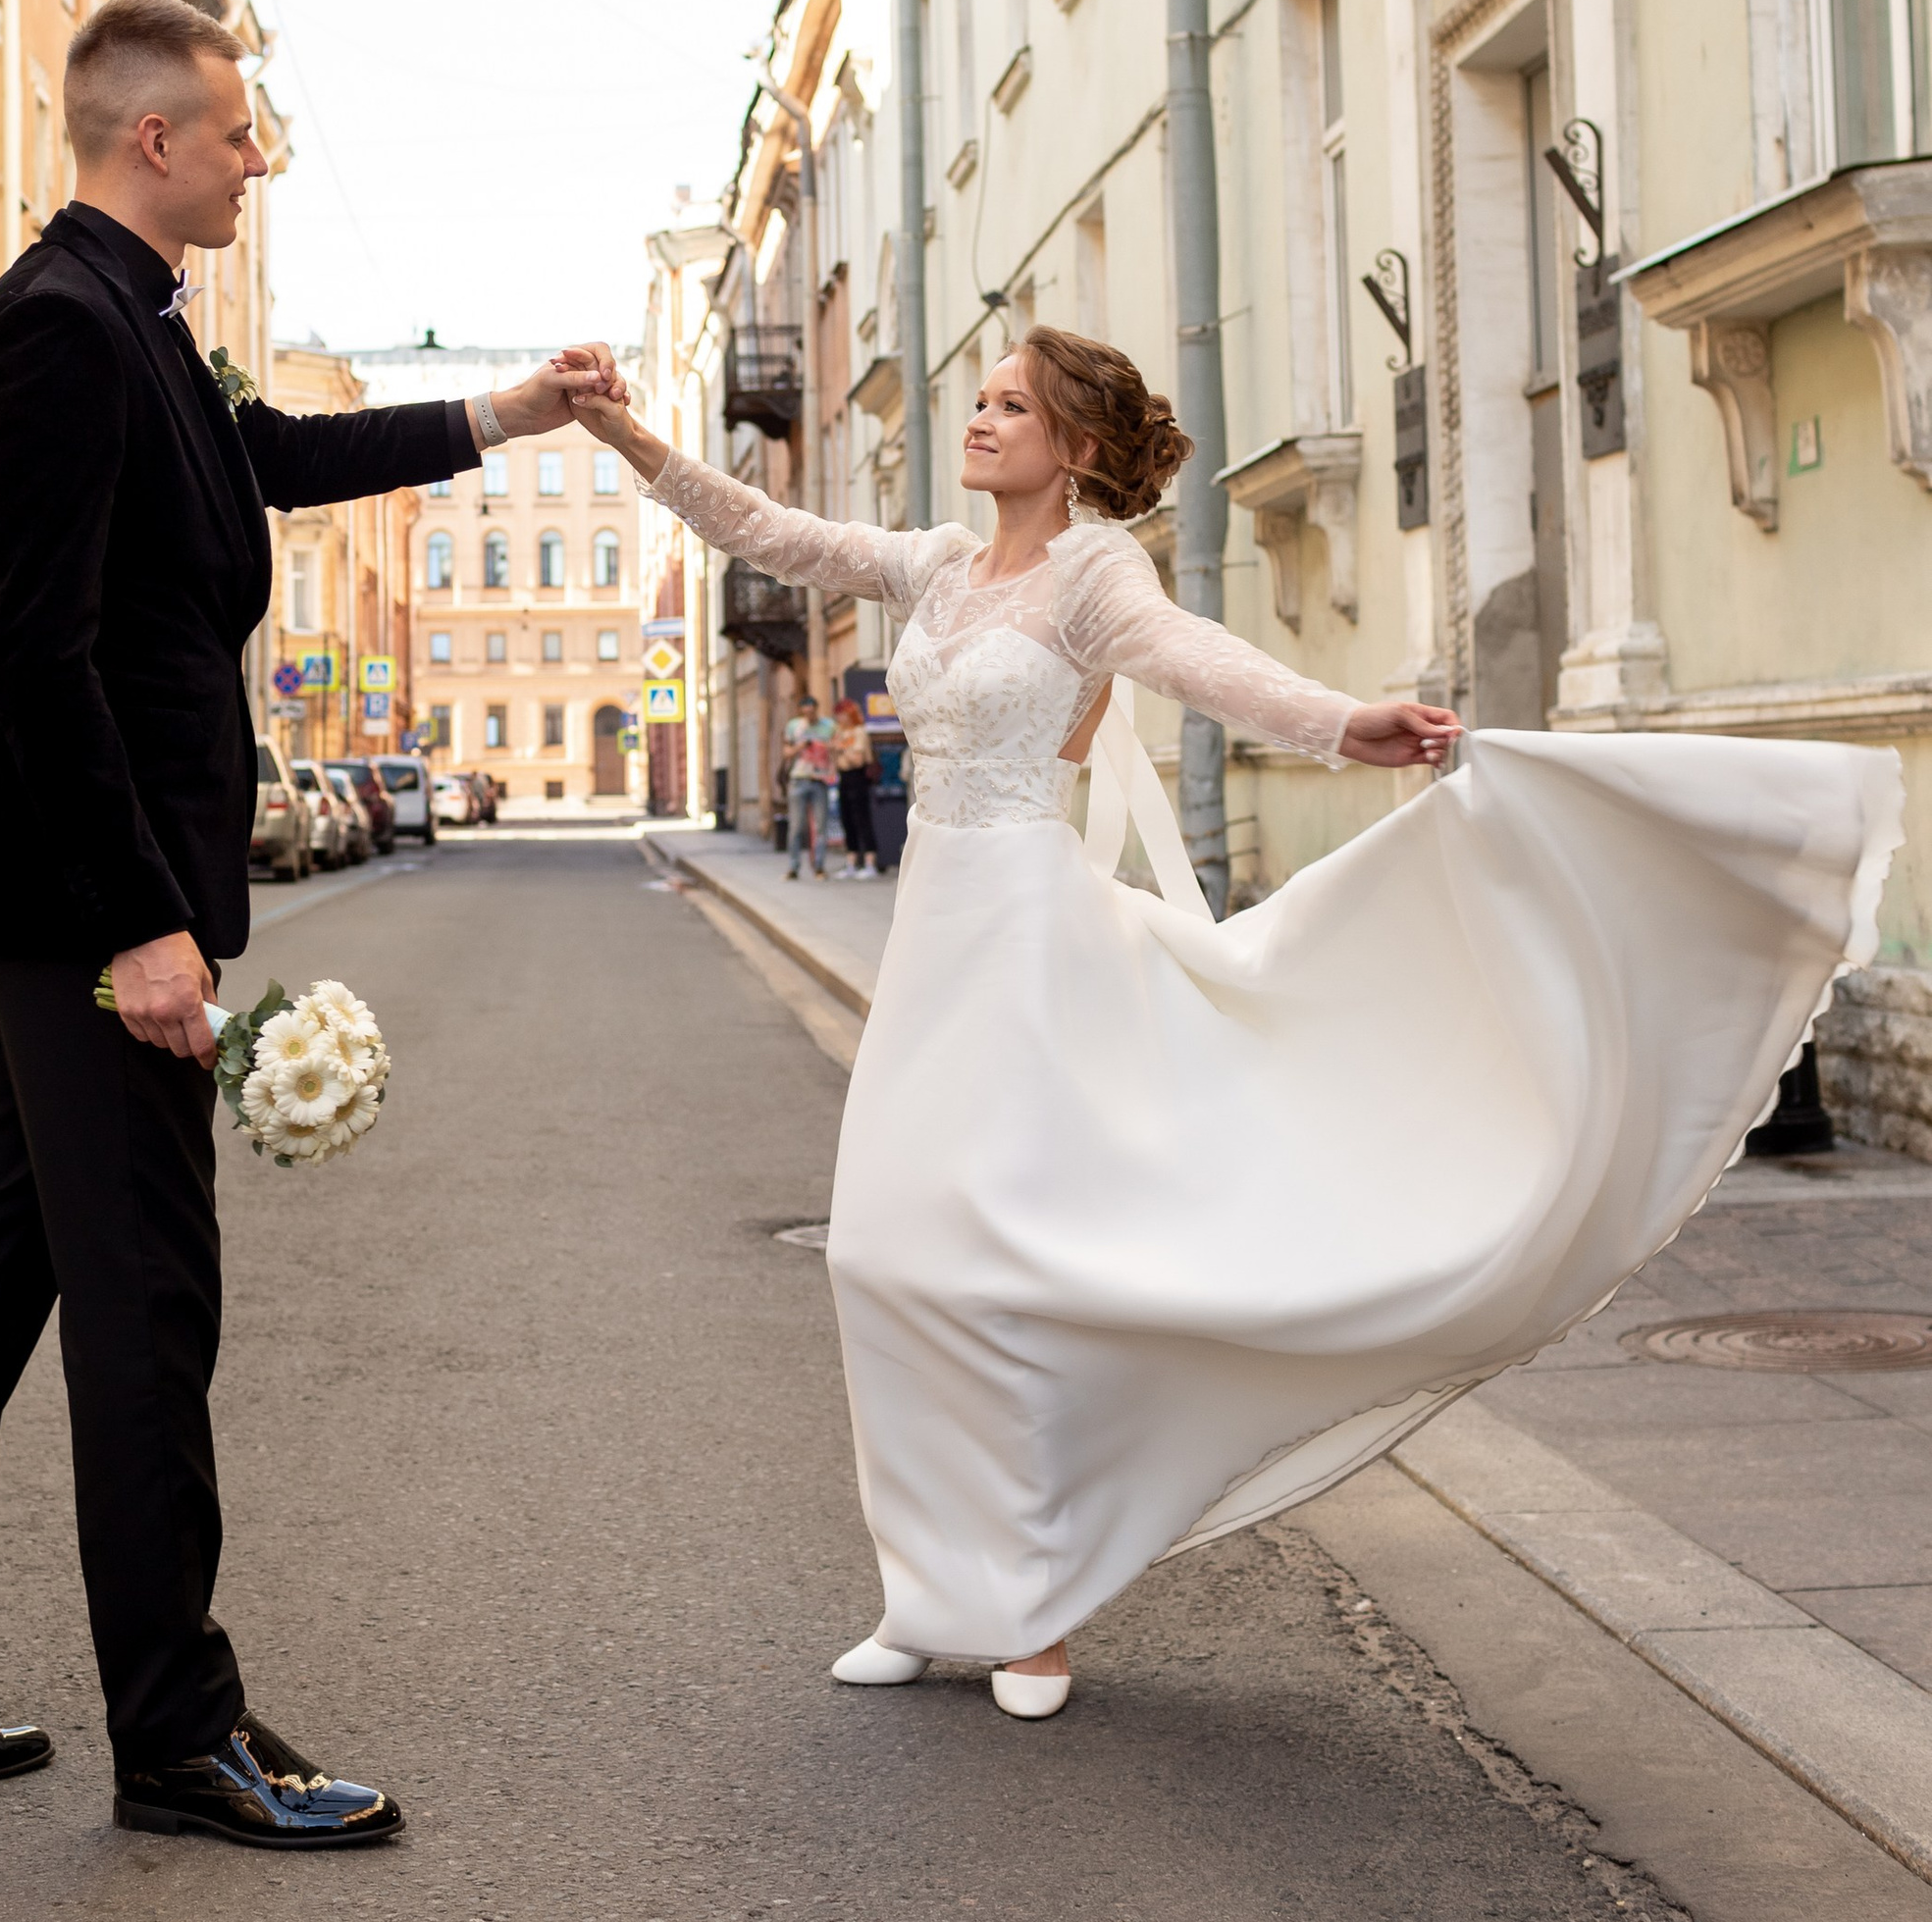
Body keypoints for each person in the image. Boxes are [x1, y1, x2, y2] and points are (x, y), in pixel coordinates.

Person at [573, 328, 1900, 1723]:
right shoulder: (936, 568)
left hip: (1029, 939)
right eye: (981, 400)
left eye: (1009, 405)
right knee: (887, 1262)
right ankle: (927, 1593)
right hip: (932, 942)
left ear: (1073, 449)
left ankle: (1030, 1619)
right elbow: (765, 527)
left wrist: (1344, 727)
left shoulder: (1095, 572)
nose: (978, 420)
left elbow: (1195, 659)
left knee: (1005, 1271)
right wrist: (623, 436)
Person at [0, 0, 621, 1847]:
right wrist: (145, 927)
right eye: (241, 133)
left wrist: (516, 409)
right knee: (148, 1302)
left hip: (83, 894)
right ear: (152, 139)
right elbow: (47, 662)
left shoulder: (150, 327)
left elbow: (279, 465)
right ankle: (181, 1735)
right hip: (93, 898)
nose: (261, 158)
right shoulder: (59, 333)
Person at [781, 697, 835, 880]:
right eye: (805, 711)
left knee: (821, 826)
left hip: (820, 779)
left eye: (811, 710)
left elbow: (836, 748)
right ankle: (793, 867)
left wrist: (825, 746)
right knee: (796, 826)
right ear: (801, 711)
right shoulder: (794, 726)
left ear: (816, 709)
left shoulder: (828, 726)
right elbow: (786, 752)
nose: (808, 714)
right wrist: (800, 746)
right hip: (798, 779)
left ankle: (819, 866)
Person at [831, 696, 879, 879]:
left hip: (858, 778)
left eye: (841, 715)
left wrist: (840, 748)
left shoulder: (859, 732)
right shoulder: (840, 733)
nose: (839, 719)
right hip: (844, 778)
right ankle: (851, 862)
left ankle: (869, 863)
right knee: (847, 820)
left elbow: (857, 759)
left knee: (862, 819)